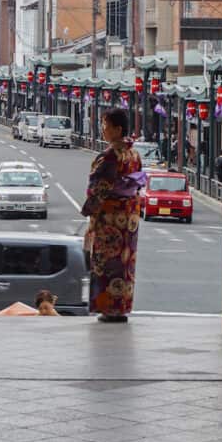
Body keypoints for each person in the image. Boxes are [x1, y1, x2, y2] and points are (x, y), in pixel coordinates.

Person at [82, 107, 145, 324]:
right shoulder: (134, 153)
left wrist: (90, 210)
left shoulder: (110, 156)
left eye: (106, 125)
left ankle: (109, 308)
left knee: (107, 260)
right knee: (125, 262)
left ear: (118, 129)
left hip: (110, 217)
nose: (103, 129)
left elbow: (98, 187)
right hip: (129, 217)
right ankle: (122, 307)